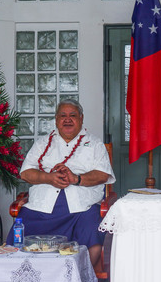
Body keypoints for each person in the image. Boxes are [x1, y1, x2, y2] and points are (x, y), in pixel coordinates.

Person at [19, 99, 115, 267]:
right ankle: (30, 277)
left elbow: (103, 174)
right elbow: (26, 173)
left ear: (81, 118)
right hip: (42, 205)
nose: (67, 119)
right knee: (23, 221)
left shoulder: (95, 144)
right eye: (63, 115)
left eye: (73, 115)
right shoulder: (42, 143)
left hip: (82, 205)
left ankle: (82, 281)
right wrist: (49, 178)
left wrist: (76, 179)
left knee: (91, 226)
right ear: (56, 119)